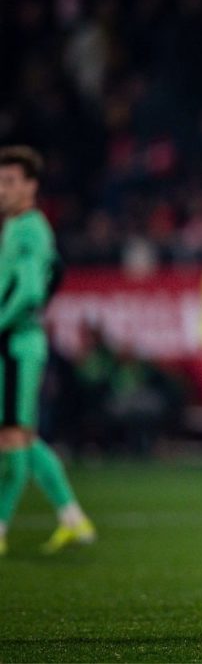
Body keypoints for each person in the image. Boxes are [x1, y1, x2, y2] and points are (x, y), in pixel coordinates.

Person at [0, 145, 96, 557]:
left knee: (13, 436)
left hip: (18, 342)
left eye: (10, 182)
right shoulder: (14, 226)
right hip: (13, 339)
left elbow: (31, 290)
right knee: (22, 435)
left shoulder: (31, 228)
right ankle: (73, 519)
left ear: (31, 186)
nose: (2, 190)